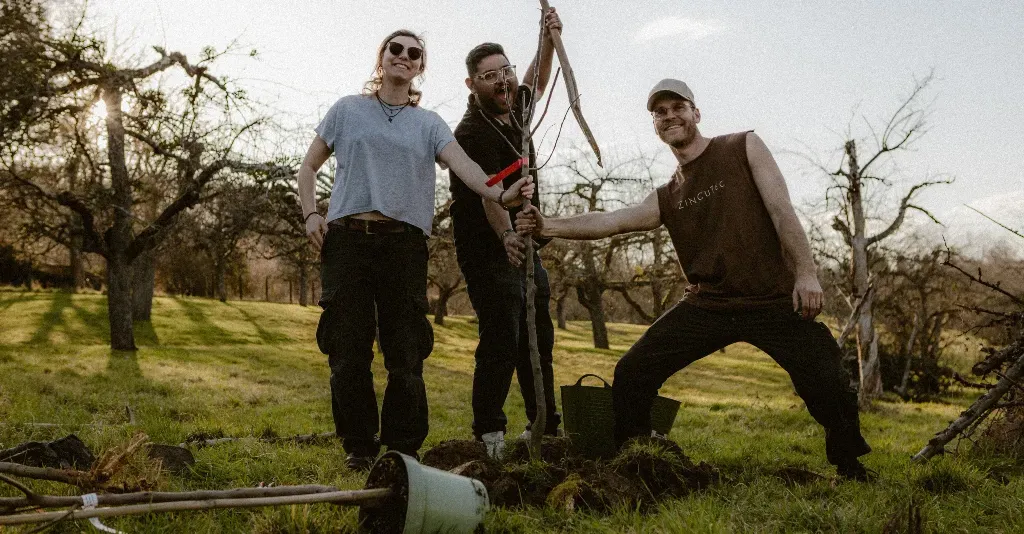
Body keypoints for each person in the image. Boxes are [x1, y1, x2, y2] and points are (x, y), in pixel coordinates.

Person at [516, 79, 873, 480]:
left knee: (827, 379)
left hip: (772, 298)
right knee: (634, 371)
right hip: (710, 304)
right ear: (655, 125)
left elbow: (781, 210)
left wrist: (806, 273)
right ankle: (635, 460)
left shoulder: (742, 146)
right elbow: (611, 220)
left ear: (696, 113)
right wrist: (548, 225)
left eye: (678, 107)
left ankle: (849, 463)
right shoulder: (668, 195)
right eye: (660, 112)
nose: (669, 116)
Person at [297, 29, 533, 471]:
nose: (404, 56)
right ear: (382, 56)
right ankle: (359, 448)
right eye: (396, 49)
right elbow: (308, 167)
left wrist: (502, 194)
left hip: (403, 246)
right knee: (347, 350)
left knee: (406, 353)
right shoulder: (347, 110)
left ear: (421, 66)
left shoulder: (430, 124)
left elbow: (468, 169)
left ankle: (402, 449)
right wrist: (311, 214)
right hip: (347, 240)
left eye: (414, 53)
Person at [448, 8, 564, 458]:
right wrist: (506, 237)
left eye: (506, 71)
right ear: (472, 84)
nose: (503, 81)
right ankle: (489, 432)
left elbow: (538, 77)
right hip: (487, 246)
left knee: (538, 335)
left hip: (524, 241)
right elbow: (488, 195)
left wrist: (547, 38)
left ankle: (545, 426)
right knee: (501, 335)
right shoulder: (470, 132)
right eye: (490, 76)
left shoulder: (515, 110)